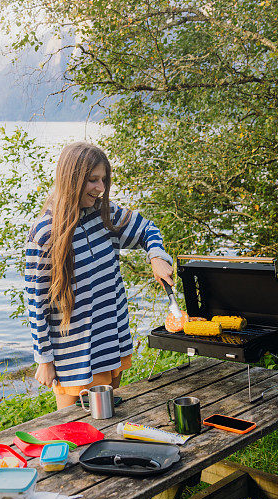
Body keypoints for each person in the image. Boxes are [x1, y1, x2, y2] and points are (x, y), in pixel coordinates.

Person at [25, 142, 174, 409]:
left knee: (108, 422)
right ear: (72, 179)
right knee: (73, 435)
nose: (101, 188)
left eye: (103, 179)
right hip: (74, 356)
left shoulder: (104, 215)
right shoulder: (45, 233)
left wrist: (156, 256)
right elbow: (37, 304)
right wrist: (44, 360)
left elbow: (147, 229)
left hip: (111, 341)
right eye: (93, 180)